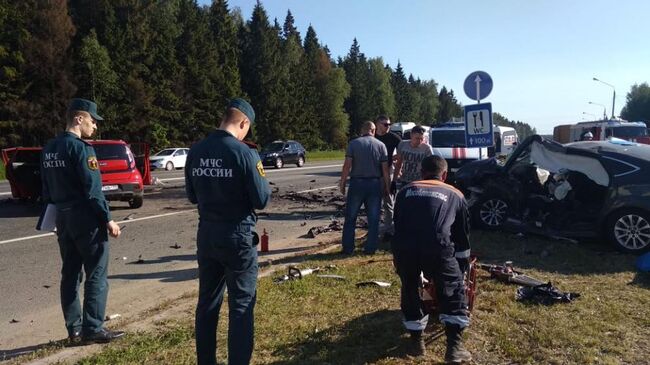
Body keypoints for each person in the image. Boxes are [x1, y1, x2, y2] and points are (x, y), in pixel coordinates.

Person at [185, 98, 271, 365]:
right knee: (241, 305)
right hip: (237, 235)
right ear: (244, 122)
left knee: (207, 304)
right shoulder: (245, 153)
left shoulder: (196, 150)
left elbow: (191, 196)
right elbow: (261, 199)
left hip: (207, 233)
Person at [40, 98, 124, 345]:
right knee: (97, 273)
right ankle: (93, 328)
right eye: (93, 120)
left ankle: (74, 330)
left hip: (63, 219)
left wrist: (53, 219)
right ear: (79, 119)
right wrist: (108, 219)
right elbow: (93, 190)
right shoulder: (82, 149)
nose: (95, 126)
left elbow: (46, 191)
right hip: (86, 220)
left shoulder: (49, 150)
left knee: (70, 274)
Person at [392, 155, 472, 363]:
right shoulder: (455, 194)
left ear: (421, 172)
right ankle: (454, 348)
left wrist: (399, 258)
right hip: (439, 247)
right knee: (452, 289)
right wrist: (461, 267)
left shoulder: (404, 191)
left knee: (410, 287)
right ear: (444, 175)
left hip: (405, 247)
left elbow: (398, 225)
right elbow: (461, 237)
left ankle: (416, 342)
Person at [339, 121, 391, 255]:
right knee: (373, 218)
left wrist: (343, 182)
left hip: (357, 183)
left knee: (351, 217)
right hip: (374, 184)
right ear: (373, 131)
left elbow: (347, 166)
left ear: (362, 130)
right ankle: (370, 248)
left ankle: (348, 248)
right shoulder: (381, 145)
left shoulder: (354, 144)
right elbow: (385, 170)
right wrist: (387, 186)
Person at [374, 115, 401, 239]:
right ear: (378, 124)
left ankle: (389, 231)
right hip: (373, 172)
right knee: (373, 202)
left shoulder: (393, 138)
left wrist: (394, 160)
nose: (388, 127)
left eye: (389, 124)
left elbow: (403, 151)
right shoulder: (372, 137)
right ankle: (374, 229)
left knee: (388, 202)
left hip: (388, 171)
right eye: (385, 124)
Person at [392, 125, 438, 190]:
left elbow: (430, 167)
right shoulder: (403, 144)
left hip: (420, 181)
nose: (419, 141)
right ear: (411, 135)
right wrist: (394, 181)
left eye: (421, 139)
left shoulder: (426, 148)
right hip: (405, 180)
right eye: (417, 138)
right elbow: (399, 163)